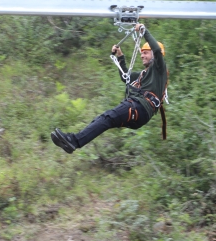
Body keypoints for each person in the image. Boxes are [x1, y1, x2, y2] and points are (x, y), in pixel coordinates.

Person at [51, 23, 168, 154]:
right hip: (138, 112)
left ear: (154, 55)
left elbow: (157, 50)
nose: (142, 56)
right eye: (141, 53)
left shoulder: (159, 70)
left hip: (140, 107)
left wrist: (144, 31)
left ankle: (74, 141)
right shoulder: (143, 75)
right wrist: (120, 56)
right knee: (104, 120)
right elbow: (126, 77)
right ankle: (73, 141)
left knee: (107, 117)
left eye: (145, 53)